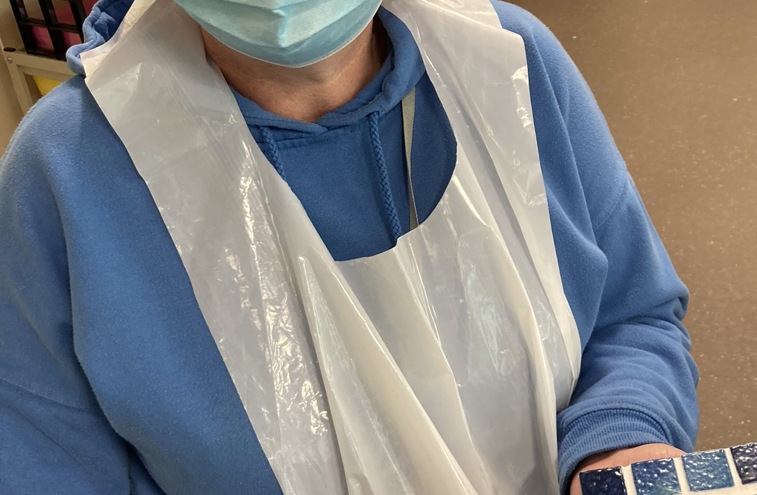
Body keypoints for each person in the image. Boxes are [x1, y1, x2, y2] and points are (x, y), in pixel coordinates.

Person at [0, 0, 699, 493]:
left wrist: (619, 442)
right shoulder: (70, 176)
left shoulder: (510, 68)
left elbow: (629, 315)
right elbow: (43, 462)